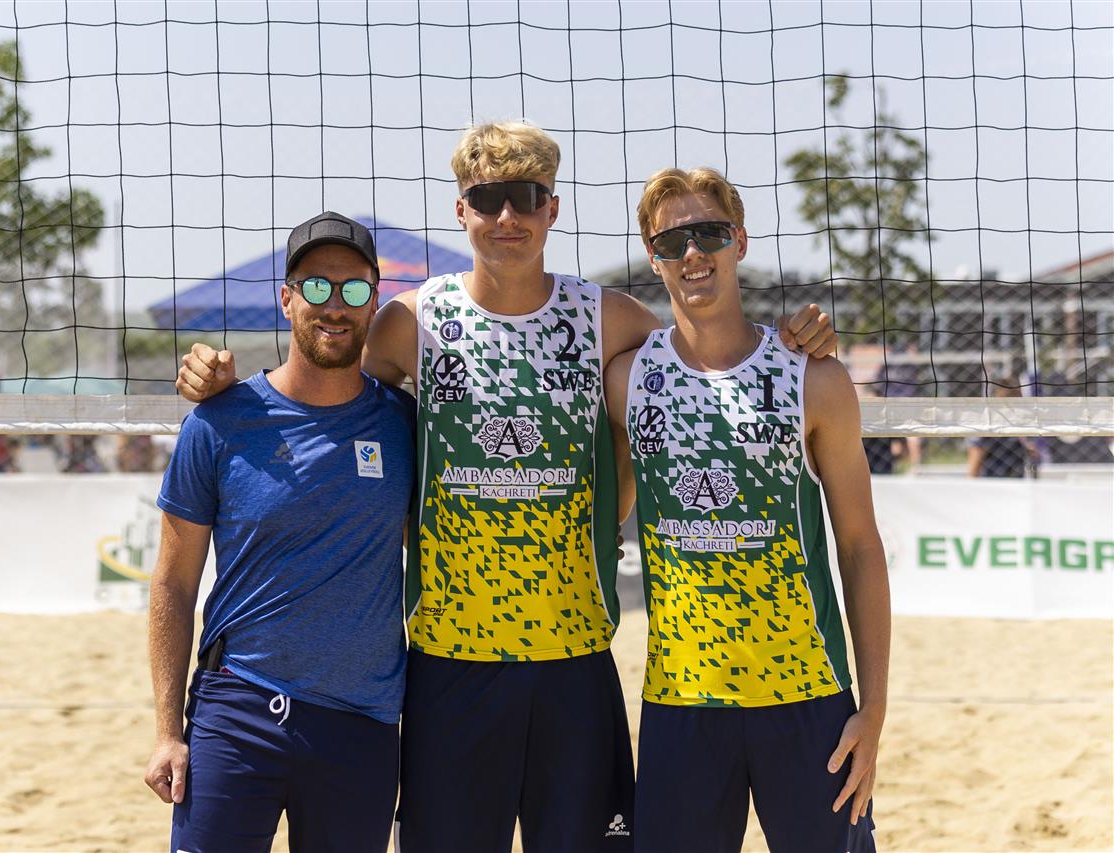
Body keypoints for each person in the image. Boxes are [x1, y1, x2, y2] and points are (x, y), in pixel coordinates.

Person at [176, 121, 838, 852]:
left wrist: (798, 342)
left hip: (575, 660)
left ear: (552, 207)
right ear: (461, 209)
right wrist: (219, 381)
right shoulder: (412, 322)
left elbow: (708, 360)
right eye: (487, 198)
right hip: (450, 663)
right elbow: (326, 377)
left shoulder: (609, 318)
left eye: (525, 196)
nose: (507, 216)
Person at [604, 167, 890, 852]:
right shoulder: (626, 379)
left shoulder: (812, 377)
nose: (691, 253)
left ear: (739, 241)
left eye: (708, 233)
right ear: (653, 256)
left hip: (808, 697)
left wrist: (874, 709)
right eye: (671, 242)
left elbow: (859, 546)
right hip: (682, 702)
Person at [143, 212, 416, 852]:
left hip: (361, 723)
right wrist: (167, 732)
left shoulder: (405, 424)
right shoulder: (219, 422)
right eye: (317, 287)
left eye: (354, 289)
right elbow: (173, 585)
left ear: (374, 302)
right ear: (287, 298)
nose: (335, 305)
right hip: (236, 712)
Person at [967, 382, 1038, 478]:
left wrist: (1028, 448)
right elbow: (975, 458)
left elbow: (1032, 457)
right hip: (992, 481)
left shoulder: (1019, 427)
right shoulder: (987, 426)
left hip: (1015, 481)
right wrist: (971, 483)